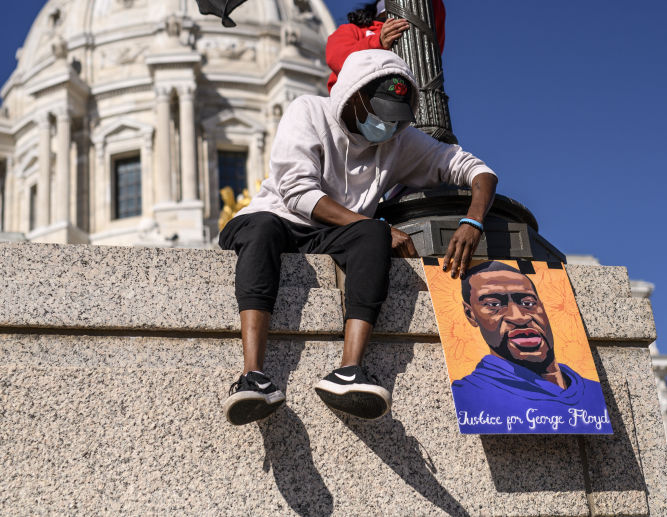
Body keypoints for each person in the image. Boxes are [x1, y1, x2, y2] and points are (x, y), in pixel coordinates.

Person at [218, 48, 497, 426]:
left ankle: (349, 370)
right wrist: (376, 227)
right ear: (354, 95)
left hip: (329, 234)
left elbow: (475, 170)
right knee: (267, 229)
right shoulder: (308, 111)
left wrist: (474, 221)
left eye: (398, 120)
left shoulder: (398, 141)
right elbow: (297, 192)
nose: (388, 127)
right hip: (274, 217)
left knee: (371, 235)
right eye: (381, 114)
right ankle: (252, 374)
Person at [451, 261, 610, 434]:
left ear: (541, 306)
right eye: (494, 305)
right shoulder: (470, 394)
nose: (519, 317)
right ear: (470, 314)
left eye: (527, 303)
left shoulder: (592, 392)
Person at [325, 0, 446, 92]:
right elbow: (339, 59)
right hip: (361, 102)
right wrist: (378, 42)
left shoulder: (419, 30)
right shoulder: (353, 30)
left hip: (413, 98)